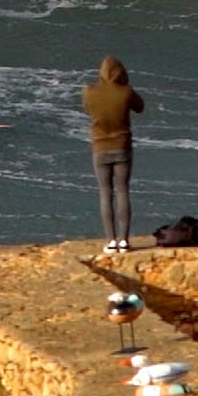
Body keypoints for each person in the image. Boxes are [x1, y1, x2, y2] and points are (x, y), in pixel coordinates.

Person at [82, 55, 145, 253]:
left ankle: (110, 240)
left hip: (100, 148)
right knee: (123, 191)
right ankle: (124, 240)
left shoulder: (89, 92)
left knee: (105, 193)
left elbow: (87, 110)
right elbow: (140, 107)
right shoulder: (126, 92)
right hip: (122, 147)